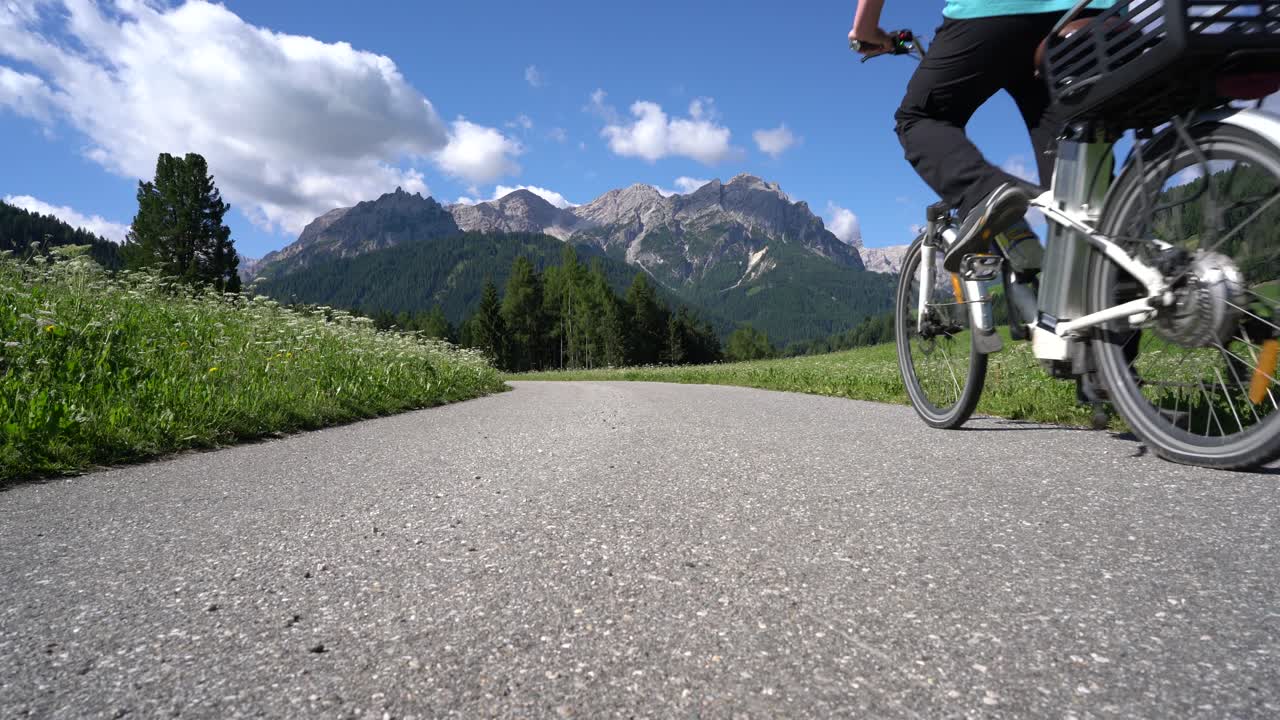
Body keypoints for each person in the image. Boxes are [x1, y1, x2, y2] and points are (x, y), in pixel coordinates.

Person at [850, 0, 1110, 273]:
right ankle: (1114, 283)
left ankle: (985, 194)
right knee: (1077, 191)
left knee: (918, 118)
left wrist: (865, 29)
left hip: (993, 13)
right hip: (1091, 11)